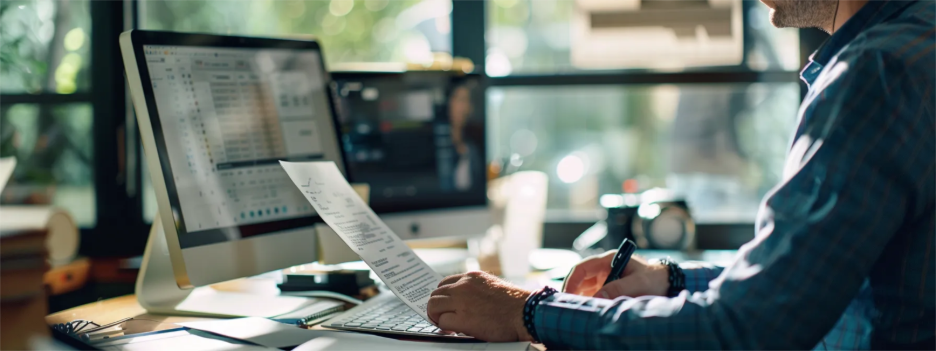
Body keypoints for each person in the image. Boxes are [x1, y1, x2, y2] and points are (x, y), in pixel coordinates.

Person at [427, 0, 936, 349]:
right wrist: (670, 281)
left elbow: (748, 329)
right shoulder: (915, 42)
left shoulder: (875, 74)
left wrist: (525, 311)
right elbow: (824, 281)